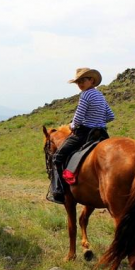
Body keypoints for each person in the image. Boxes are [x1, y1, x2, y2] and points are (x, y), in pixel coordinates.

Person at [51, 68, 115, 203]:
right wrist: (99, 121)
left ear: (91, 80)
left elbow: (78, 118)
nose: (79, 84)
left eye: (82, 80)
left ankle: (60, 190)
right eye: (77, 82)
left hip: (84, 133)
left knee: (58, 157)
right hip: (102, 134)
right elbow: (111, 116)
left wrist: (71, 126)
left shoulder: (85, 95)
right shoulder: (100, 95)